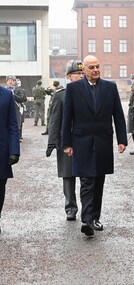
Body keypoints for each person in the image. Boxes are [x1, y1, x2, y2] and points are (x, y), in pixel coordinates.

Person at [62, 55, 127, 237]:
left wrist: (122, 140)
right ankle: (87, 220)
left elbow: (118, 115)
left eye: (97, 66)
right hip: (81, 142)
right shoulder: (73, 89)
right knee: (86, 181)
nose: (96, 69)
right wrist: (66, 143)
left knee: (98, 182)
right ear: (84, 70)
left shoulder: (110, 88)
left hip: (103, 142)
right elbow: (67, 118)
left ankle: (95, 217)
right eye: (92, 67)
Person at [46, 60, 84, 221]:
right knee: (68, 177)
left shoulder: (89, 94)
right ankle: (70, 207)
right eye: (78, 74)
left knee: (86, 176)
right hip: (66, 142)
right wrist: (52, 143)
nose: (81, 76)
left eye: (83, 74)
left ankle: (87, 207)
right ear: (69, 77)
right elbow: (54, 121)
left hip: (84, 142)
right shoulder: (60, 96)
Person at [0, 86, 20, 233]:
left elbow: (13, 125)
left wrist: (14, 151)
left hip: (2, 150)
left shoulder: (7, 95)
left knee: (0, 187)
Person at [6, 75, 27, 140]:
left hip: (16, 109)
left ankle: (17, 137)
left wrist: (13, 95)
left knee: (17, 124)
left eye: (12, 80)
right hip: (6, 110)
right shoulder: (4, 90)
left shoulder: (19, 89)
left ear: (15, 81)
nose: (10, 82)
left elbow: (22, 98)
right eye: (8, 80)